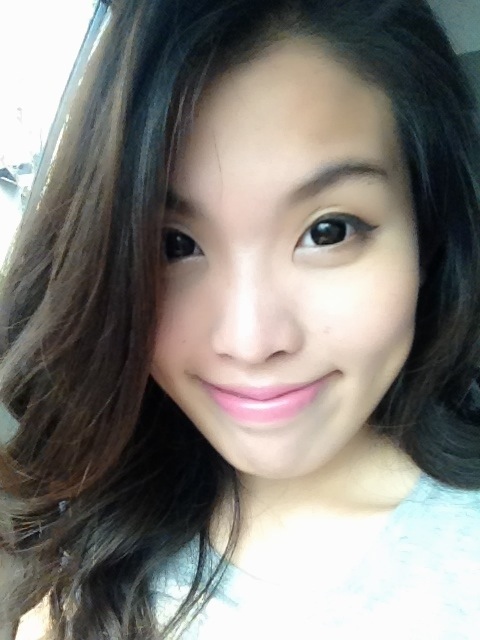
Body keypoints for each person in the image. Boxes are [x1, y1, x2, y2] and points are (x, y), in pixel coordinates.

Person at [1, 0, 479, 638]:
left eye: (328, 231)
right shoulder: (97, 516)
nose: (250, 341)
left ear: (429, 235)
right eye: (174, 244)